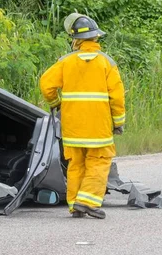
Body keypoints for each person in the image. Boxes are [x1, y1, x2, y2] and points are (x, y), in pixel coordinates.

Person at [39, 13, 125, 219]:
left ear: (75, 40)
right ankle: (87, 202)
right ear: (96, 38)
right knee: (99, 160)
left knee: (76, 163)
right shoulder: (107, 63)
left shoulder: (65, 62)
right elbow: (117, 97)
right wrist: (119, 122)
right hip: (99, 126)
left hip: (73, 127)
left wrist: (55, 103)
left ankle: (74, 204)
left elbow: (46, 84)